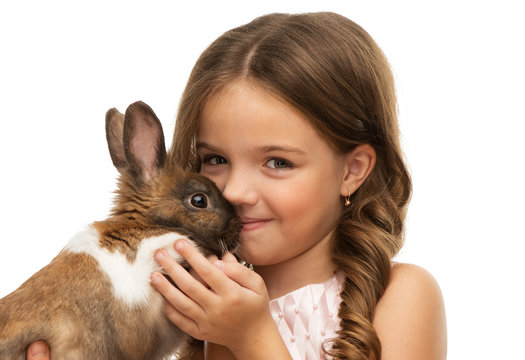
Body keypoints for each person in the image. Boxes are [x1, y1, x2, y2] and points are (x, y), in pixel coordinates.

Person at [27, 12, 446, 360]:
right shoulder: (197, 303)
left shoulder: (404, 296)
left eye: (277, 162)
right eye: (216, 160)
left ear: (352, 170)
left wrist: (251, 339)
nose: (237, 192)